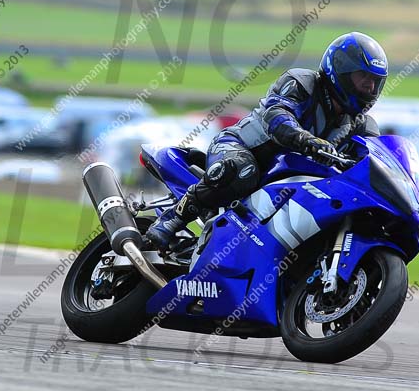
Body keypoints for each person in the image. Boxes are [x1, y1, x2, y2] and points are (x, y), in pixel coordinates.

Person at [145, 32, 388, 250]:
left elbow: (375, 161)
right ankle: (173, 218)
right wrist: (307, 139)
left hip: (292, 181)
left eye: (375, 82)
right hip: (241, 148)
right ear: (340, 71)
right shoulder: (302, 83)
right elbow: (278, 114)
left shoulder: (363, 125)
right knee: (242, 171)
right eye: (363, 77)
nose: (369, 87)